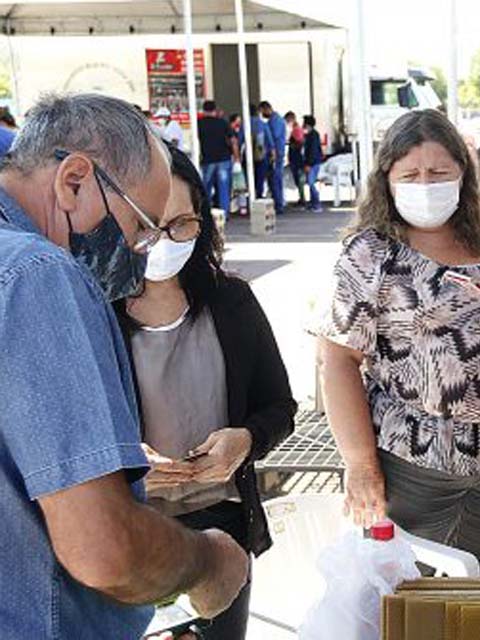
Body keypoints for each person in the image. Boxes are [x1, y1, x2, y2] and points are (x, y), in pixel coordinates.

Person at [0, 93, 248, 638]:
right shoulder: (39, 274)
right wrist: (208, 563)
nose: (140, 254)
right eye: (140, 229)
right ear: (73, 182)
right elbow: (104, 550)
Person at [319, 109, 480, 574]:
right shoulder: (371, 254)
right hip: (410, 467)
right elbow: (337, 360)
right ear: (387, 181)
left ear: (464, 174)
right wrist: (360, 465)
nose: (425, 184)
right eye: (411, 175)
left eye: (439, 173)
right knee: (404, 594)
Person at [115, 145, 296, 638]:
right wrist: (126, 466)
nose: (165, 240)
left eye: (182, 224)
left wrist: (246, 440)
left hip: (224, 520)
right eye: (149, 225)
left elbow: (279, 405)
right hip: (130, 527)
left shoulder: (230, 299)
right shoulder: (94, 311)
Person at [198, 100, 239, 217]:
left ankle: (205, 214)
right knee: (224, 189)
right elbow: (233, 141)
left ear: (203, 110)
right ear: (215, 110)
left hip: (208, 159)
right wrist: (236, 158)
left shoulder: (199, 124)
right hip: (224, 159)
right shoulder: (223, 122)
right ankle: (224, 214)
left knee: (206, 188)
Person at [260, 101, 287, 214]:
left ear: (267, 109)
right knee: (276, 179)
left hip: (276, 153)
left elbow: (273, 136)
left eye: (262, 111)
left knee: (275, 179)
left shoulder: (275, 121)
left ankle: (279, 204)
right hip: (278, 152)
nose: (262, 114)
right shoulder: (276, 120)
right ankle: (279, 203)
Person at [303, 114, 325, 212]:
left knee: (311, 183)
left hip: (313, 163)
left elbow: (312, 151)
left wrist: (308, 164)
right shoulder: (313, 134)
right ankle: (313, 203)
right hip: (315, 162)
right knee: (310, 183)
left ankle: (316, 204)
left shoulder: (312, 136)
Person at [285, 111, 307, 207]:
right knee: (298, 179)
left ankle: (302, 199)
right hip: (296, 158)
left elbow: (300, 142)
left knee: (299, 179)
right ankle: (302, 198)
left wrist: (292, 145)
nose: (287, 122)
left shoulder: (296, 130)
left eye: (287, 120)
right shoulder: (297, 129)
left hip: (296, 159)